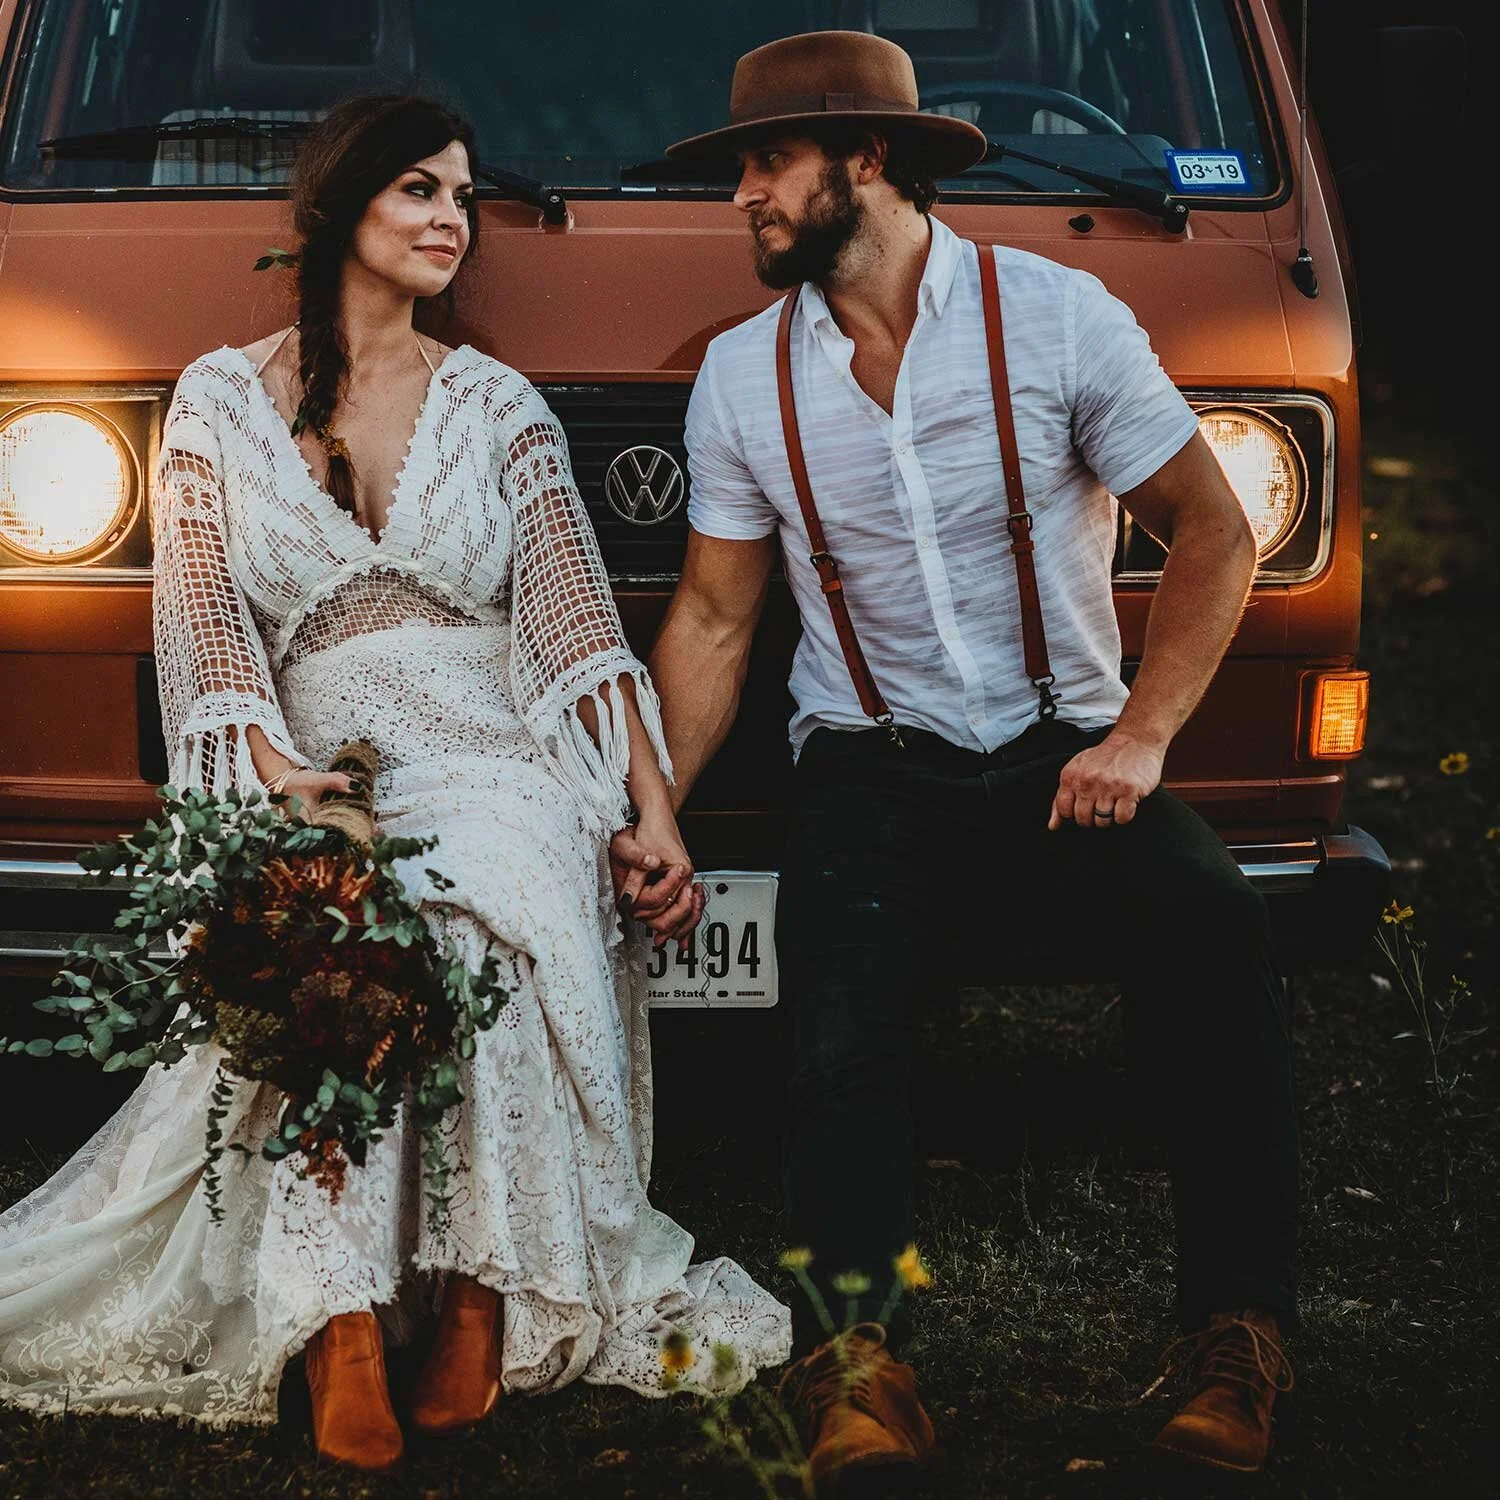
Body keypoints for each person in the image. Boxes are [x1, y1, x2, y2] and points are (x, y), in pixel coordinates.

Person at [0, 94, 788, 1471]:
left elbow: (577, 639)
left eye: (462, 200)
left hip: (498, 744)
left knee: (481, 894)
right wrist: (277, 774)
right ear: (343, 205)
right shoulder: (215, 404)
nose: (449, 222)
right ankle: (337, 1319)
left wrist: (654, 812)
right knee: (343, 909)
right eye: (420, 191)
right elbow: (201, 632)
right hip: (318, 747)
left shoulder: (501, 409)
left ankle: (481, 1288)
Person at [617, 30, 1297, 1490]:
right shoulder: (745, 378)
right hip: (872, 763)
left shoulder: (1060, 318)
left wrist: (1142, 737)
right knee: (840, 1020)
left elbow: (1216, 533)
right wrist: (654, 805)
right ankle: (862, 1365)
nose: (741, 195)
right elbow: (721, 620)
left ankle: (1235, 1341)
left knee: (1217, 925)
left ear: (868, 161)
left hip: (1068, 751)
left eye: (765, 163)